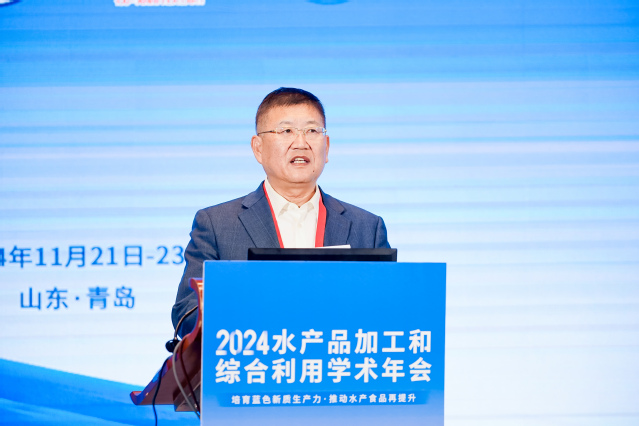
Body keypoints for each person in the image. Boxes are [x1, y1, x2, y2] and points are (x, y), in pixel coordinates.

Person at [171, 87, 390, 336]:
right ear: (258, 148)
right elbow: (187, 313)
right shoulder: (217, 224)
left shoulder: (367, 227)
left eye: (312, 131)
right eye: (286, 131)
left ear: (327, 147)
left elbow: (389, 308)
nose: (301, 143)